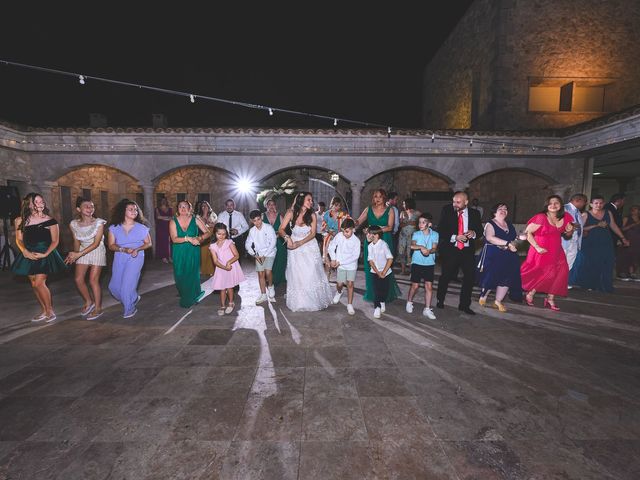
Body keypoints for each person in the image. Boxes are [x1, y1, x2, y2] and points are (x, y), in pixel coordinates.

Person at [12, 192, 66, 322]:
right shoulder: (20, 220)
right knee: (34, 284)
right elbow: (19, 239)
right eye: (37, 202)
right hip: (28, 254)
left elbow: (55, 241)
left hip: (44, 253)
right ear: (30, 204)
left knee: (39, 282)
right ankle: (44, 311)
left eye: (42, 201)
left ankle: (50, 311)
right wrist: (24, 251)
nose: (40, 204)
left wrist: (46, 254)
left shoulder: (50, 221)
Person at [278, 192, 333, 312]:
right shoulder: (291, 213)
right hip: (294, 248)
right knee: (297, 274)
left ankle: (313, 300)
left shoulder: (312, 214)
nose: (311, 202)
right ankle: (300, 301)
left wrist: (299, 243)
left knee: (310, 273)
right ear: (301, 200)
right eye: (309, 200)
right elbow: (281, 229)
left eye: (312, 200)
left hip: (309, 246)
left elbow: (313, 234)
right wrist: (287, 238)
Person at [520, 195, 574, 311]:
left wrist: (570, 231)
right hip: (541, 249)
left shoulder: (566, 217)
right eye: (551, 203)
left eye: (556, 203)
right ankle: (530, 293)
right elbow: (527, 233)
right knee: (547, 273)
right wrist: (537, 247)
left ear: (561, 205)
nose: (553, 205)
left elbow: (567, 234)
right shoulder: (541, 217)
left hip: (557, 250)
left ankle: (550, 298)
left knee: (561, 272)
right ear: (547, 205)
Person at [435, 191, 483, 315]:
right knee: (446, 276)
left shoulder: (475, 213)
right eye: (454, 201)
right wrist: (455, 237)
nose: (455, 204)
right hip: (451, 250)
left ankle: (464, 305)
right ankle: (440, 300)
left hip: (467, 251)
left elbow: (480, 230)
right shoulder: (447, 210)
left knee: (469, 278)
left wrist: (474, 233)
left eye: (458, 202)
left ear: (466, 202)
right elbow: (440, 229)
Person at [569, 195, 629, 292]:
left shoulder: (608, 212)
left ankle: (604, 285)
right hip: (590, 242)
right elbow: (579, 229)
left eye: (601, 203)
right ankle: (590, 284)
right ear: (591, 204)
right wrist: (596, 225)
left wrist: (623, 238)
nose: (599, 205)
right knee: (592, 263)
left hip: (605, 241)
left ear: (604, 204)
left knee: (607, 262)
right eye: (596, 203)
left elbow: (613, 225)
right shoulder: (585, 214)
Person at [64, 197, 107, 321]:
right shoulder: (73, 224)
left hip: (97, 250)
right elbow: (76, 240)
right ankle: (89, 301)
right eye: (86, 206)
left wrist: (79, 254)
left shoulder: (99, 222)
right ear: (79, 209)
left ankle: (98, 308)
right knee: (78, 279)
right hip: (82, 250)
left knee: (93, 280)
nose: (90, 208)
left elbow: (96, 243)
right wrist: (74, 254)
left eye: (92, 206)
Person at [107, 199, 152, 319]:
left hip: (136, 257)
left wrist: (137, 249)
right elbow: (111, 245)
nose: (134, 211)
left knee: (127, 286)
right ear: (123, 211)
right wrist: (123, 249)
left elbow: (148, 243)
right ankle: (133, 298)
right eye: (131, 209)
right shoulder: (114, 228)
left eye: (136, 209)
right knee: (114, 287)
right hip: (120, 256)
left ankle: (129, 308)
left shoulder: (141, 227)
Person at [356, 188, 401, 304]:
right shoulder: (368, 209)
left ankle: (385, 294)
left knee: (385, 265)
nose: (378, 199)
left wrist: (375, 230)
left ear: (384, 197)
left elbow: (390, 227)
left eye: (380, 196)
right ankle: (373, 293)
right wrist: (348, 221)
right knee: (371, 267)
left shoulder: (390, 210)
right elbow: (358, 221)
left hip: (385, 239)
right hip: (370, 241)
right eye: (375, 196)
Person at [476, 203, 523, 312]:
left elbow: (513, 239)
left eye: (505, 209)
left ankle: (498, 301)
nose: (503, 210)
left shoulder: (509, 225)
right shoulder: (490, 224)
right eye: (500, 209)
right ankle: (483, 295)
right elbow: (490, 237)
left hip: (508, 255)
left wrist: (519, 238)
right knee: (492, 276)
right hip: (493, 254)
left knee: (507, 278)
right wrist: (508, 243)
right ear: (494, 212)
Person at [170, 200, 211, 308]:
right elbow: (174, 239)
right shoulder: (173, 221)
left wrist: (200, 237)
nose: (183, 209)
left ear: (190, 209)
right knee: (179, 275)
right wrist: (187, 238)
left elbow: (208, 232)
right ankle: (187, 292)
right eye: (180, 206)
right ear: (177, 209)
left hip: (193, 251)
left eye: (185, 207)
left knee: (191, 273)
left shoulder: (195, 220)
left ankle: (188, 298)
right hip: (179, 251)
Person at [406, 213, 439, 319]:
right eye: (419, 222)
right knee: (415, 286)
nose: (420, 224)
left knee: (429, 286)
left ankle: (427, 309)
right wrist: (421, 247)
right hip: (417, 263)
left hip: (429, 263)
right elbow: (412, 245)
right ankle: (409, 302)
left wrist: (429, 251)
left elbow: (434, 248)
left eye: (423, 222)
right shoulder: (416, 234)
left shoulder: (435, 234)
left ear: (429, 224)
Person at [210, 223, 246, 315]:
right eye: (219, 234)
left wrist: (229, 262)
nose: (221, 236)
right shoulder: (213, 246)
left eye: (223, 234)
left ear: (226, 234)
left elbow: (237, 255)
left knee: (229, 287)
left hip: (231, 267)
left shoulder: (229, 242)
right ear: (215, 233)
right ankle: (222, 305)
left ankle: (231, 303)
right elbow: (215, 261)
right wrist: (224, 267)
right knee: (222, 288)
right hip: (221, 268)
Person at [328, 218, 360, 315]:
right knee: (339, 284)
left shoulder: (356, 241)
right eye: (343, 231)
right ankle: (339, 292)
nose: (344, 233)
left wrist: (340, 262)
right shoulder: (339, 236)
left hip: (351, 265)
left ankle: (349, 304)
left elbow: (355, 256)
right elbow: (331, 247)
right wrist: (333, 259)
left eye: (347, 231)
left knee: (350, 284)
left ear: (353, 229)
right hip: (340, 265)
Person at [246, 209, 277, 304]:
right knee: (260, 274)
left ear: (262, 218)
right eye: (254, 221)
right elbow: (247, 244)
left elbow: (273, 242)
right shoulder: (252, 231)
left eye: (258, 219)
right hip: (259, 255)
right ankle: (263, 294)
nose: (257, 222)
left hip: (270, 253)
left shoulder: (268, 228)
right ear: (252, 221)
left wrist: (265, 255)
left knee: (268, 272)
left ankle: (271, 287)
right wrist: (254, 255)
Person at [367, 225, 394, 319]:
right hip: (375, 272)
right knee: (376, 290)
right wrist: (378, 273)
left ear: (376, 235)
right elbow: (371, 261)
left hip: (386, 272)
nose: (368, 235)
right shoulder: (370, 246)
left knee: (384, 290)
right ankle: (377, 307)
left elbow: (390, 259)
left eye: (369, 233)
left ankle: (382, 301)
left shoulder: (383, 245)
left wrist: (383, 272)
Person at [561, 194, 588, 279]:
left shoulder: (578, 212)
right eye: (584, 202)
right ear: (578, 200)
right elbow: (559, 222)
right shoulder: (564, 208)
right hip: (564, 241)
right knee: (560, 262)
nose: (584, 204)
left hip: (575, 242)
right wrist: (571, 225)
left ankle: (562, 282)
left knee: (569, 263)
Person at [262, 198, 287, 286]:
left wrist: (279, 234)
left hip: (278, 242)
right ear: (266, 206)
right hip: (266, 243)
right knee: (268, 262)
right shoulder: (262, 216)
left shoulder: (279, 216)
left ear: (275, 206)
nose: (271, 206)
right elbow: (259, 229)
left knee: (279, 260)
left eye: (273, 204)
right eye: (269, 204)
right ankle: (269, 279)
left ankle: (277, 279)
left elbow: (284, 229)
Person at [322, 196, 347, 279]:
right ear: (331, 204)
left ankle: (341, 276)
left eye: (339, 206)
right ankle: (327, 274)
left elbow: (347, 223)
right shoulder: (327, 214)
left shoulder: (341, 214)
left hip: (339, 236)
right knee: (327, 256)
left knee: (340, 255)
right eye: (335, 205)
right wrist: (329, 231)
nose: (337, 207)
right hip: (328, 236)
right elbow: (323, 226)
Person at [398, 197, 421, 275]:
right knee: (401, 252)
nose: (403, 205)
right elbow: (400, 225)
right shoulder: (402, 213)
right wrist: (407, 223)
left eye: (404, 203)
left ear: (408, 204)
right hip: (403, 235)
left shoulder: (417, 213)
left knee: (410, 253)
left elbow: (421, 224)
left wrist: (415, 224)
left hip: (413, 236)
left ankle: (412, 271)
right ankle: (403, 270)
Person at [617, 204, 640, 281]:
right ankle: (622, 273)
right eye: (632, 209)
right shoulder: (627, 218)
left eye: (636, 208)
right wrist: (633, 225)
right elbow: (622, 229)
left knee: (635, 257)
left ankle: (632, 273)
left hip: (637, 240)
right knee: (625, 256)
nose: (634, 210)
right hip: (628, 239)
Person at [195, 200, 217, 276]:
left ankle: (212, 270)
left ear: (209, 206)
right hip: (203, 234)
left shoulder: (213, 214)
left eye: (206, 206)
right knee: (203, 253)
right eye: (203, 206)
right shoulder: (198, 216)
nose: (204, 207)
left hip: (212, 234)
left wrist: (210, 224)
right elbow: (199, 225)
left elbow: (215, 224)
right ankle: (204, 271)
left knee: (211, 253)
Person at [154, 197, 173, 263]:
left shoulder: (170, 209)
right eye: (162, 200)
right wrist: (167, 218)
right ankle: (164, 257)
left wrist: (163, 218)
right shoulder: (157, 209)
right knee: (163, 242)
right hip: (161, 228)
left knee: (169, 242)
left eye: (165, 200)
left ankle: (169, 256)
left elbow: (172, 218)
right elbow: (158, 217)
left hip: (169, 227)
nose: (163, 202)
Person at [387, 191, 400, 256]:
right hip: (391, 233)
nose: (396, 201)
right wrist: (394, 231)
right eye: (396, 199)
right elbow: (396, 223)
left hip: (383, 232)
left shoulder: (381, 207)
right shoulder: (394, 209)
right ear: (391, 200)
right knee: (391, 252)